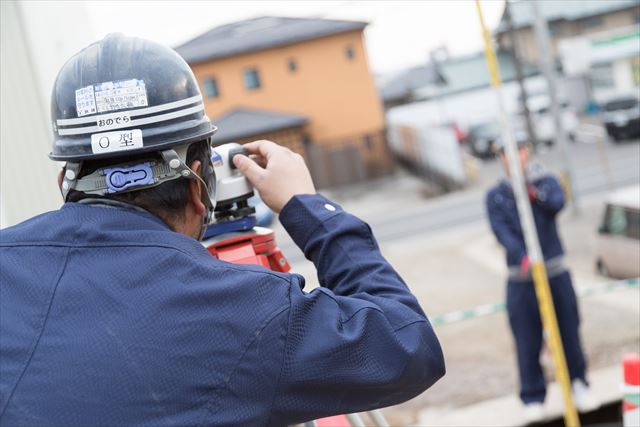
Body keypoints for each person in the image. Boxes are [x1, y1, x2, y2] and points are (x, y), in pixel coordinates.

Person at [0, 34, 445, 426]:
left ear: (65, 181)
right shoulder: (246, 311)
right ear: (200, 184)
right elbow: (408, 347)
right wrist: (310, 209)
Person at [485, 141, 597, 422]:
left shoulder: (546, 182)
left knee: (569, 331)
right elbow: (501, 231)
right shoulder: (497, 195)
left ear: (527, 152)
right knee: (526, 338)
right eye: (506, 152)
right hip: (521, 279)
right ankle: (533, 396)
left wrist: (532, 190)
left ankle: (578, 383)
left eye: (519, 149)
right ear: (501, 158)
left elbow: (558, 204)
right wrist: (522, 255)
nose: (514, 156)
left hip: (555, 272)